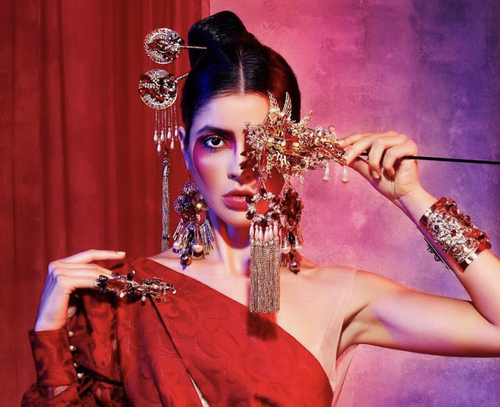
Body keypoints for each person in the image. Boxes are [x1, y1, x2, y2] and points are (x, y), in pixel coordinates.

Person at [23, 11, 500, 407]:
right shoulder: (124, 299)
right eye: (215, 141)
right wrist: (49, 332)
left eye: (263, 142)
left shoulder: (339, 295)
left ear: (293, 149)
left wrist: (411, 196)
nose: (240, 167)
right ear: (185, 149)